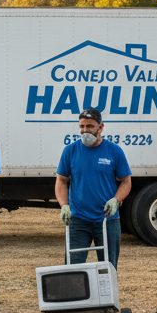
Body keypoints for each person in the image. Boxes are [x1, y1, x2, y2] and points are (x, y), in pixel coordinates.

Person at [54, 108, 131, 268]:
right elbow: (61, 180)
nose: (84, 130)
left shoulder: (114, 151)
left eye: (89, 126)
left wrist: (116, 200)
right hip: (78, 220)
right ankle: (75, 294)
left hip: (107, 219)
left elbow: (126, 181)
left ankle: (107, 294)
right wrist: (64, 205)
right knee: (73, 267)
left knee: (108, 267)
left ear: (100, 127)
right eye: (82, 126)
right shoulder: (70, 151)